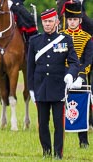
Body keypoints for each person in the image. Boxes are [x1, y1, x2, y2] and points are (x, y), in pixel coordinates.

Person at [27, 8, 79, 159]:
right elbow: (30, 67)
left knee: (58, 123)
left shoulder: (65, 40)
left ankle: (58, 154)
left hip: (58, 88)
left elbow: (74, 63)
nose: (47, 24)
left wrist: (70, 75)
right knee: (42, 124)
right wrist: (31, 89)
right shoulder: (34, 41)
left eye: (50, 21)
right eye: (45, 22)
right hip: (41, 88)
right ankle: (46, 152)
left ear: (56, 22)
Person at [61, 1, 93, 148]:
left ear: (80, 20)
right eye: (70, 20)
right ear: (66, 20)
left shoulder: (87, 37)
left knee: (81, 107)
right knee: (58, 109)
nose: (72, 22)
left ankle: (83, 141)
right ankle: (59, 139)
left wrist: (80, 76)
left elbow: (88, 60)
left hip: (80, 76)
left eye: (75, 19)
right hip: (63, 75)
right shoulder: (60, 36)